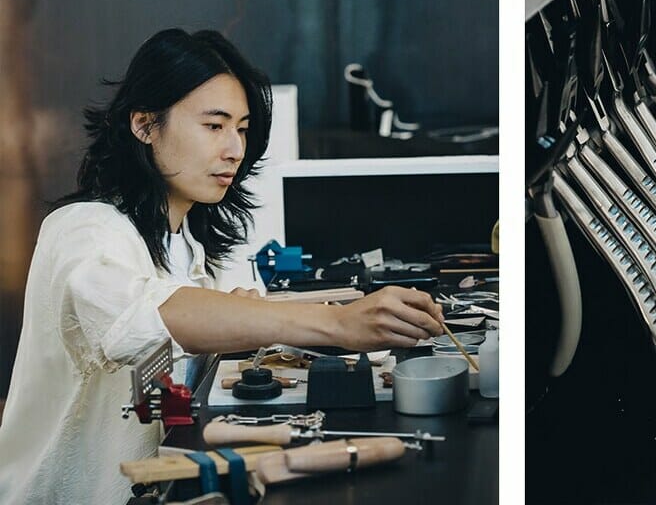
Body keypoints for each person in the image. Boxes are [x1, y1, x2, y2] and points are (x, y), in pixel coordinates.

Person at [0, 28, 445, 504]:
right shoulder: (82, 229)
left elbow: (184, 328)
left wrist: (236, 320)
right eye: (215, 126)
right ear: (145, 125)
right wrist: (335, 322)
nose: (235, 148)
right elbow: (138, 321)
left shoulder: (188, 244)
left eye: (242, 128)